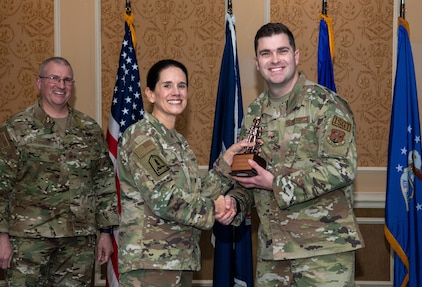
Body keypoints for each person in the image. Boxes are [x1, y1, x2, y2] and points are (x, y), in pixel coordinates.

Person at [219, 22, 365, 286]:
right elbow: (250, 176)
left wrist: (276, 183)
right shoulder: (253, 114)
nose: (274, 60)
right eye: (266, 53)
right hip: (273, 252)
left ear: (296, 56)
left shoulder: (326, 105)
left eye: (282, 51)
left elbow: (342, 168)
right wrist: (235, 203)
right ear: (256, 62)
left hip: (323, 251)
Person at [117, 59, 251, 287]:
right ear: (150, 94)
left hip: (179, 260)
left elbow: (196, 194)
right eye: (167, 85)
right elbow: (164, 199)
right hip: (150, 265)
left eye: (182, 85)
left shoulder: (178, 143)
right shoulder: (141, 137)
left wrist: (224, 164)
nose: (176, 92)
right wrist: (215, 208)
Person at [0, 57, 119, 286]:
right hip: (29, 242)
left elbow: (103, 183)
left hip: (78, 243)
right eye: (54, 78)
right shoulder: (15, 128)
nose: (61, 85)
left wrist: (106, 232)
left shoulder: (88, 129)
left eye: (67, 80)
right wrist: (2, 236)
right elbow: (2, 186)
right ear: (39, 82)